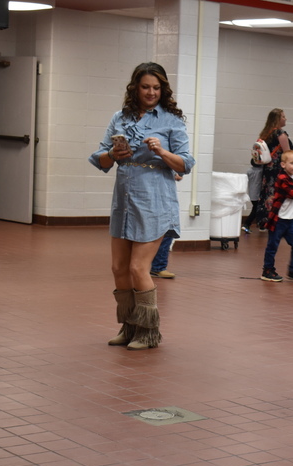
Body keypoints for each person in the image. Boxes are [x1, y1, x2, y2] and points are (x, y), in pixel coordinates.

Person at [88, 62, 195, 351]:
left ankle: (148, 332)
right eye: (146, 86)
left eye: (157, 88)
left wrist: (161, 151)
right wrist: (113, 152)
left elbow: (186, 163)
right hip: (124, 198)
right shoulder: (119, 117)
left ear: (163, 90)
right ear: (135, 87)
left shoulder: (172, 121)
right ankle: (129, 326)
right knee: (119, 267)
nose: (151, 92)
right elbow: (99, 159)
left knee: (138, 268)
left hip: (155, 199)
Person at [261, 150, 293, 283]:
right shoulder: (282, 178)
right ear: (283, 164)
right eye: (292, 163)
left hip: (291, 220)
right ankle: (267, 270)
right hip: (279, 219)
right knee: (272, 246)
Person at [255, 108, 293, 230]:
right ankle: (275, 221)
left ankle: (264, 220)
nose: (285, 118)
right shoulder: (281, 134)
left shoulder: (266, 134)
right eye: (283, 116)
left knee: (267, 193)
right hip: (278, 169)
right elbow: (287, 154)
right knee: (278, 194)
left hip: (267, 170)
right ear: (277, 119)